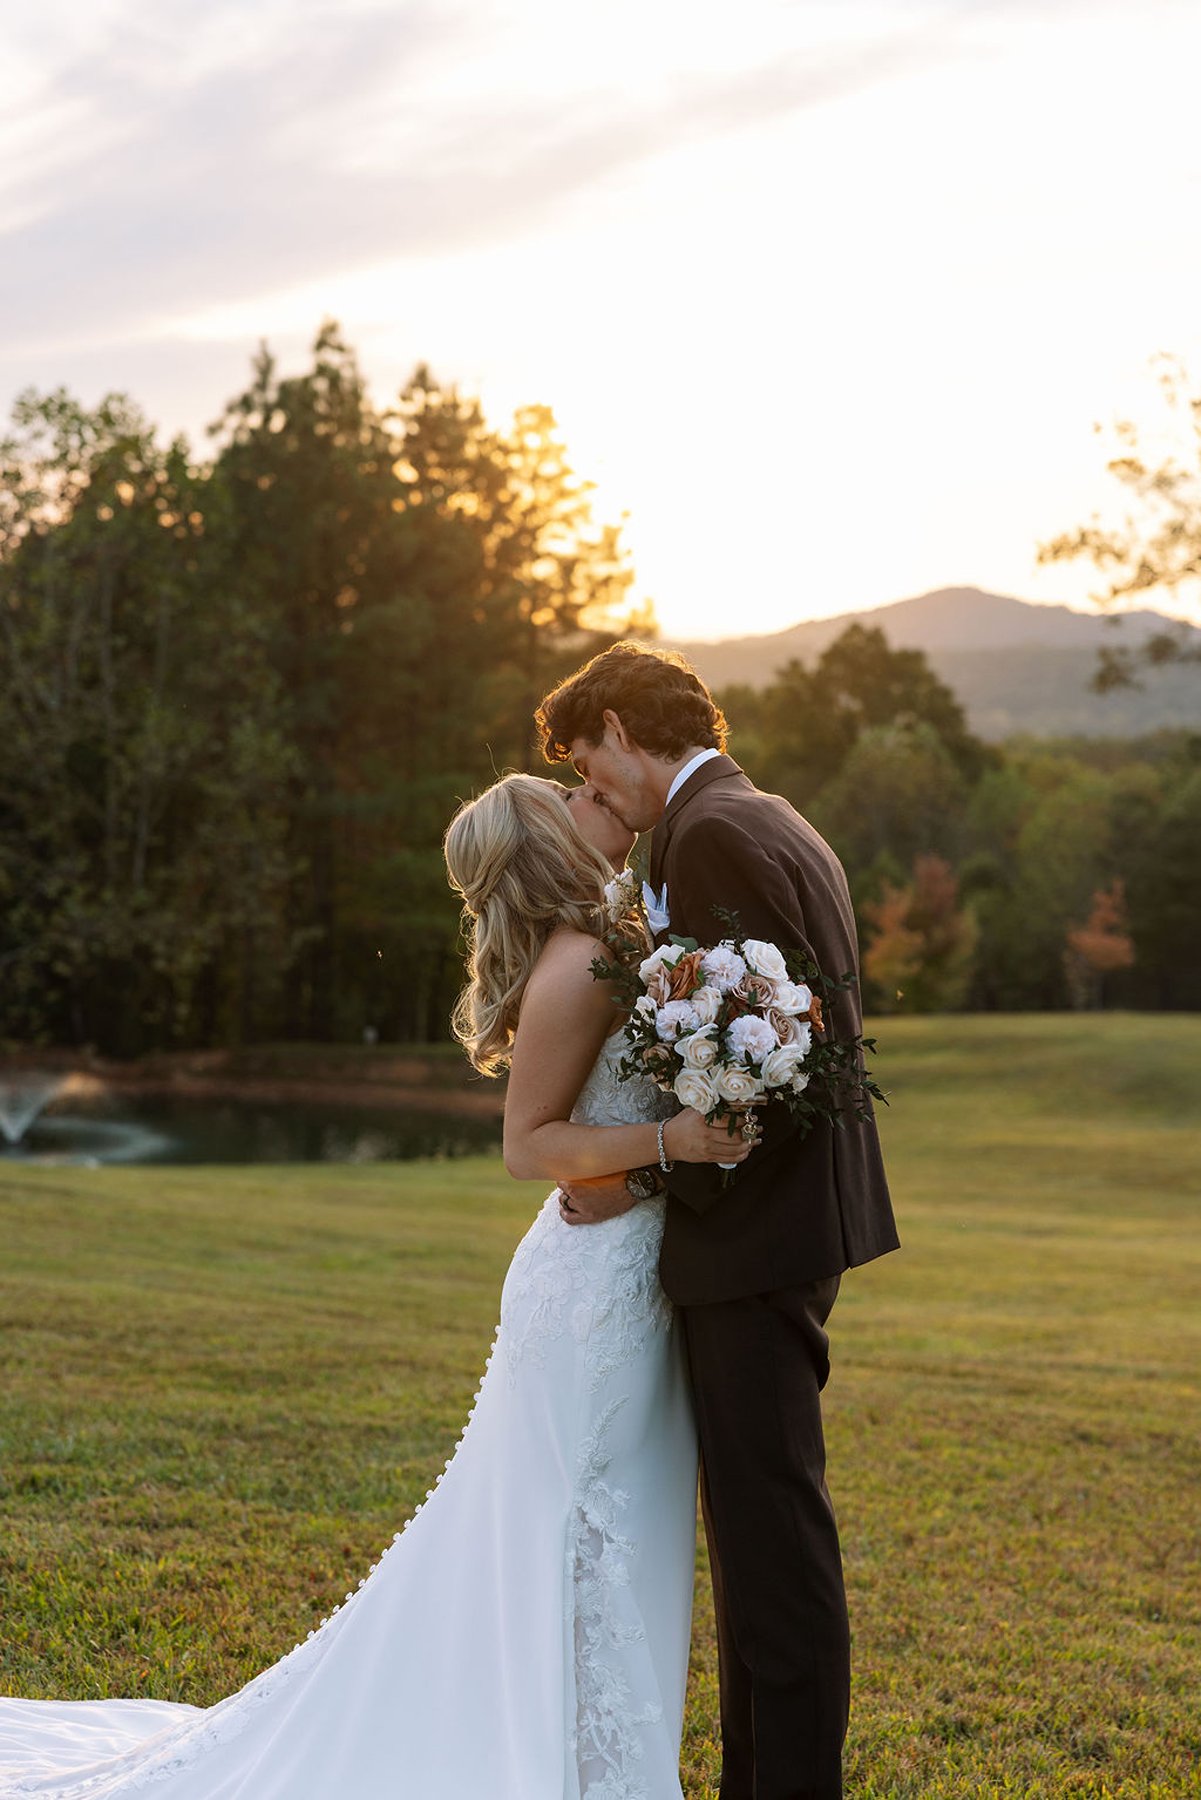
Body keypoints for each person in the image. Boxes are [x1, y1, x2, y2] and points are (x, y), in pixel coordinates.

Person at [0, 772, 746, 1800]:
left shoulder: (620, 940)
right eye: (569, 792)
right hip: (591, 1299)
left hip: (621, 1269)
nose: (594, 791)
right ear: (546, 838)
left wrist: (663, 1153)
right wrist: (673, 1142)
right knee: (581, 1535)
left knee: (598, 1533)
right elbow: (530, 1146)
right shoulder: (575, 963)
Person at [536, 643, 900, 1800]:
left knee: (773, 1543)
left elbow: (757, 1062)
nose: (596, 788)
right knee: (755, 1538)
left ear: (623, 729)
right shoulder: (766, 812)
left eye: (590, 759)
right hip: (790, 1227)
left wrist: (644, 1179)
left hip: (755, 1235)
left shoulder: (711, 836)